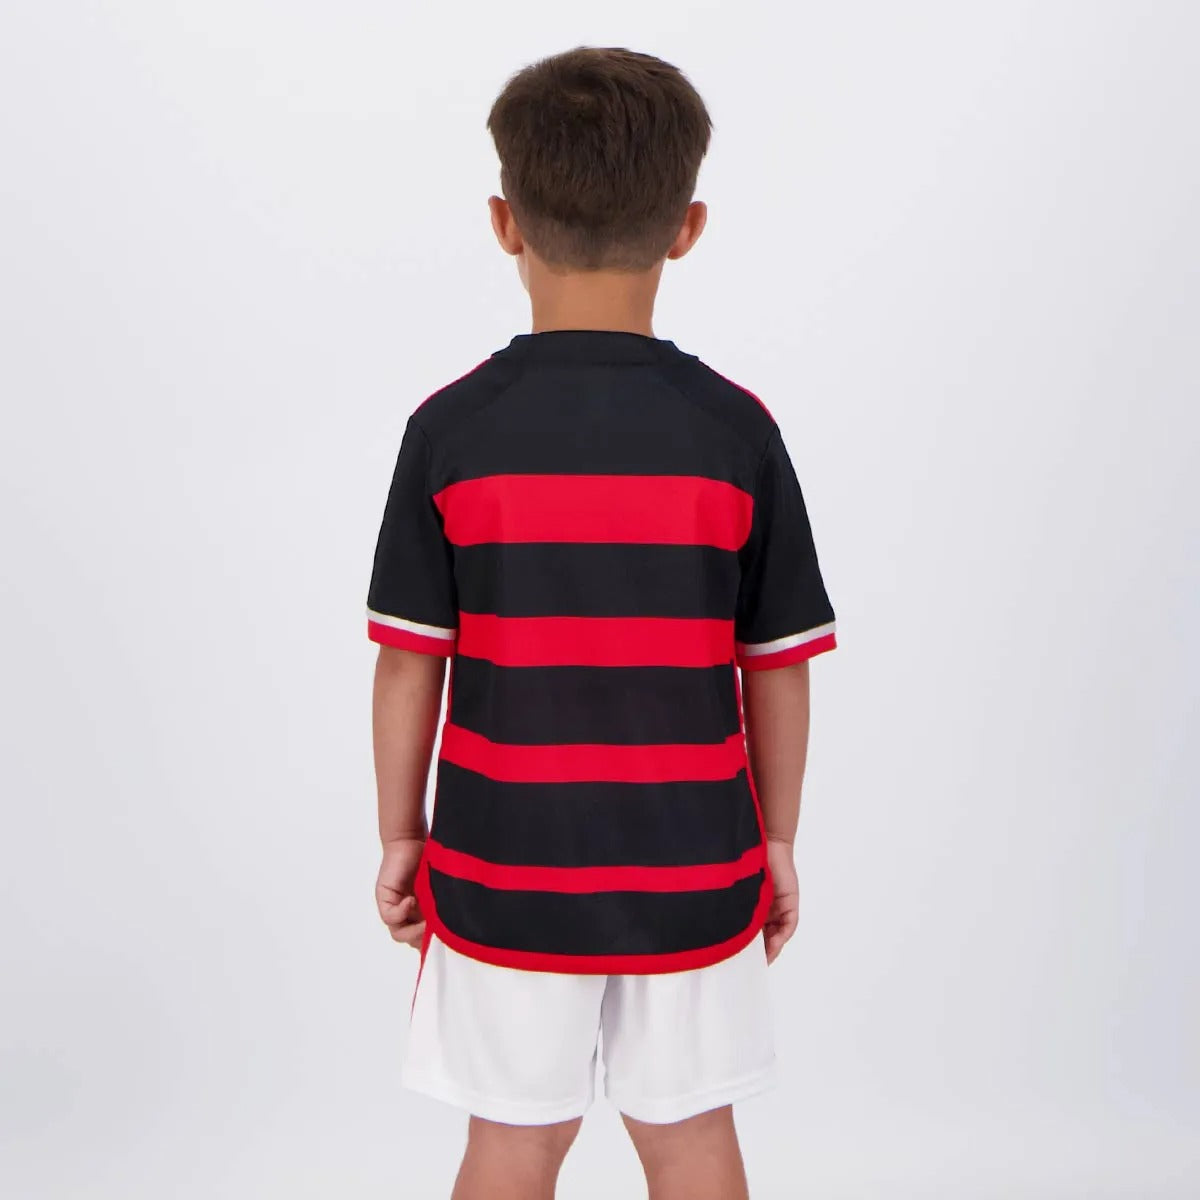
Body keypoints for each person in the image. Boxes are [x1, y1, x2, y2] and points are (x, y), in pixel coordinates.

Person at [367, 46, 837, 1200]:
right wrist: (776, 841)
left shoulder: (449, 432)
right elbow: (778, 665)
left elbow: (408, 663)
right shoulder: (736, 433)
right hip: (697, 862)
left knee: (511, 1142)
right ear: (687, 228)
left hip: (500, 865)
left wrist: (401, 836)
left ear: (503, 222)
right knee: (692, 1139)